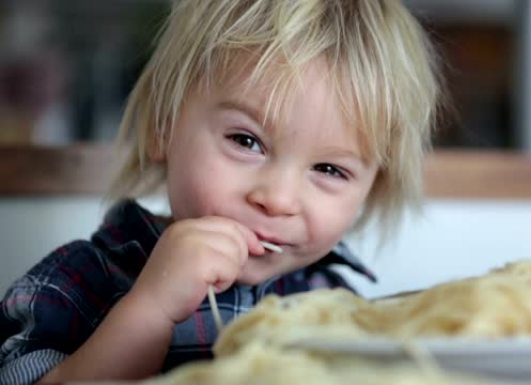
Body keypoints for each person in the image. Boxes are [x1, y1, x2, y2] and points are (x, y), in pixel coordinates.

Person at [0, 0, 442, 383]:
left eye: (329, 168)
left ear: (372, 187)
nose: (279, 199)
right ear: (163, 126)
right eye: (246, 141)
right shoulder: (79, 280)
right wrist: (150, 309)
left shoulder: (338, 305)